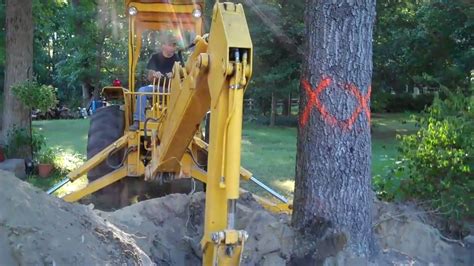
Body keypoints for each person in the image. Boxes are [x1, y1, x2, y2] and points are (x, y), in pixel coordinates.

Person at [130, 34, 181, 130]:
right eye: (170, 45)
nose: (173, 48)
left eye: (174, 45)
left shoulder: (177, 58)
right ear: (163, 46)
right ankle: (139, 121)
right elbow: (150, 76)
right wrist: (154, 74)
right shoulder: (155, 57)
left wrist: (175, 74)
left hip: (172, 90)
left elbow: (183, 75)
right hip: (157, 88)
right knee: (142, 91)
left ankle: (180, 124)